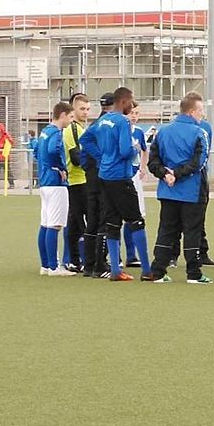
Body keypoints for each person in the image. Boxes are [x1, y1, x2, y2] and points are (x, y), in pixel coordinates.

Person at [146, 93, 212, 284]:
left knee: (166, 230)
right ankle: (194, 273)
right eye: (200, 110)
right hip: (191, 190)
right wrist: (177, 173)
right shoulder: (200, 133)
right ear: (192, 112)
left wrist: (165, 174)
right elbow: (199, 163)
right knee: (193, 231)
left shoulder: (163, 132)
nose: (202, 115)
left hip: (167, 190)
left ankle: (157, 271)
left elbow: (153, 161)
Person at [92, 87, 149, 282]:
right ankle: (147, 270)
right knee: (137, 221)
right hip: (121, 176)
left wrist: (103, 157)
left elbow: (86, 140)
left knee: (112, 222)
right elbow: (126, 151)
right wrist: (133, 151)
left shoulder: (104, 120)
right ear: (124, 101)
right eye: (131, 102)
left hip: (105, 176)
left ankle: (116, 270)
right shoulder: (122, 122)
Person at [169, 91, 214, 267]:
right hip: (178, 174)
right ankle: (172, 255)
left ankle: (201, 252)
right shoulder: (174, 126)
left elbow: (204, 153)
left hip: (199, 175)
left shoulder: (205, 127)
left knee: (199, 216)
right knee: (174, 218)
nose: (202, 112)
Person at [35, 102, 75, 276]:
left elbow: (35, 150)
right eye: (71, 117)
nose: (71, 121)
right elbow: (53, 150)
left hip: (44, 182)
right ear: (63, 115)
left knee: (45, 224)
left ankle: (45, 265)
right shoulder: (57, 133)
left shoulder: (44, 131)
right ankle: (53, 266)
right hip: (56, 183)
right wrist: (60, 167)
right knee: (55, 225)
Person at [78, 92, 114, 278]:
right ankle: (100, 264)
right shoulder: (109, 126)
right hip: (103, 177)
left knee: (91, 220)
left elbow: (84, 154)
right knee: (103, 219)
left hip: (90, 177)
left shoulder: (94, 125)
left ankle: (89, 264)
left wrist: (89, 169)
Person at [61, 94, 90, 273]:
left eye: (87, 109)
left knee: (74, 221)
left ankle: (74, 260)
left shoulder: (80, 128)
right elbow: (76, 157)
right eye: (82, 109)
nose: (85, 112)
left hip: (80, 180)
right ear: (73, 109)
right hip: (78, 180)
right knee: (82, 222)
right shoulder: (72, 129)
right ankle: (84, 259)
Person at [123, 102, 151, 273]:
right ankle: (116, 256)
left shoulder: (139, 132)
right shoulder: (120, 130)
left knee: (136, 215)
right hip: (120, 176)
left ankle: (131, 255)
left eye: (136, 113)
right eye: (131, 113)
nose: (134, 116)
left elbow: (144, 150)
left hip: (134, 176)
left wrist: (143, 167)